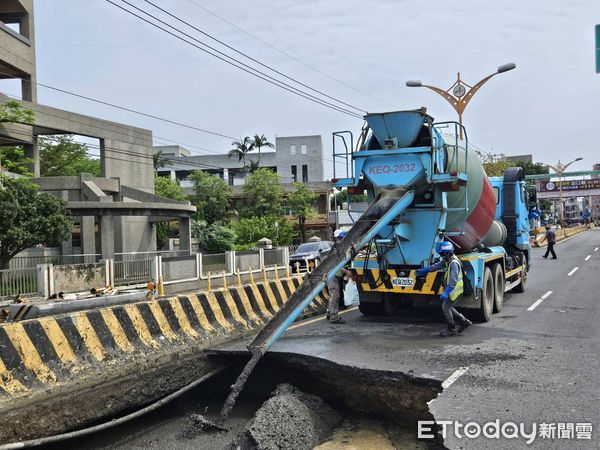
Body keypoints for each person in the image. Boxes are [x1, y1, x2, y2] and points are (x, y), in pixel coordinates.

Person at [415, 241, 472, 337]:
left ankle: (452, 328)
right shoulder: (448, 260)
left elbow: (453, 281)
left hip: (454, 290)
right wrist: (424, 270)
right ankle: (464, 321)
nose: (441, 256)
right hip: (453, 290)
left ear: (447, 253)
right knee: (448, 307)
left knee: (445, 308)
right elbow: (436, 266)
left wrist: (446, 292)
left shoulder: (453, 263)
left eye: (442, 253)